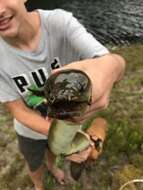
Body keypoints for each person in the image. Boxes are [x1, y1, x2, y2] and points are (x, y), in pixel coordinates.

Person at [0, 0, 126, 189]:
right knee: (33, 162)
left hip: (66, 127)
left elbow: (110, 62)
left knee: (53, 151)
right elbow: (18, 110)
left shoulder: (60, 23)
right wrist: (57, 135)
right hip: (29, 131)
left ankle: (51, 166)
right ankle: (38, 184)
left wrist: (114, 65)